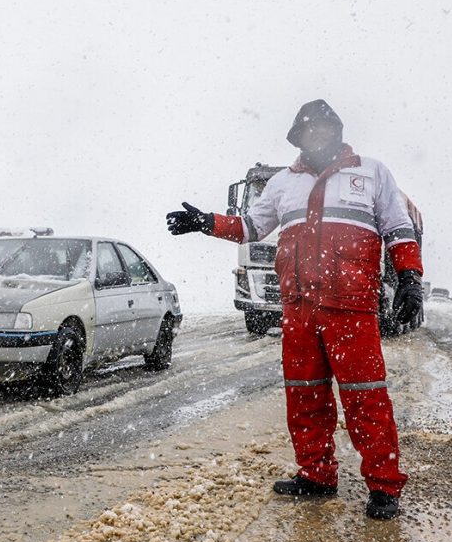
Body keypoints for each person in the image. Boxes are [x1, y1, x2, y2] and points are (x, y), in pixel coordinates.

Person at [166, 99, 424, 520]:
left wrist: (410, 278)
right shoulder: (282, 183)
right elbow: (252, 227)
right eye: (309, 129)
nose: (317, 134)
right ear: (298, 136)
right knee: (304, 395)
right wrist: (205, 222)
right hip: (300, 308)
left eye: (324, 127)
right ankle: (317, 476)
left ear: (337, 130)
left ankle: (384, 486)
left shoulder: (372, 172)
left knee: (365, 398)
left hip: (351, 307)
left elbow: (397, 229)